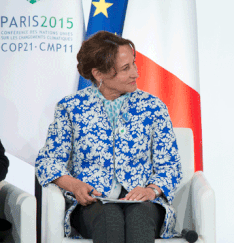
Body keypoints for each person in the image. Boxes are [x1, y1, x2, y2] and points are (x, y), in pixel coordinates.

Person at [35, 31, 183, 243]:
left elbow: (170, 166)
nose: (136, 73)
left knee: (138, 219)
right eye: (126, 68)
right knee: (109, 219)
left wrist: (151, 190)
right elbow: (47, 162)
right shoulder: (71, 107)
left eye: (134, 64)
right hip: (93, 204)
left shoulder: (153, 107)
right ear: (99, 74)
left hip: (144, 204)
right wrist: (75, 185)